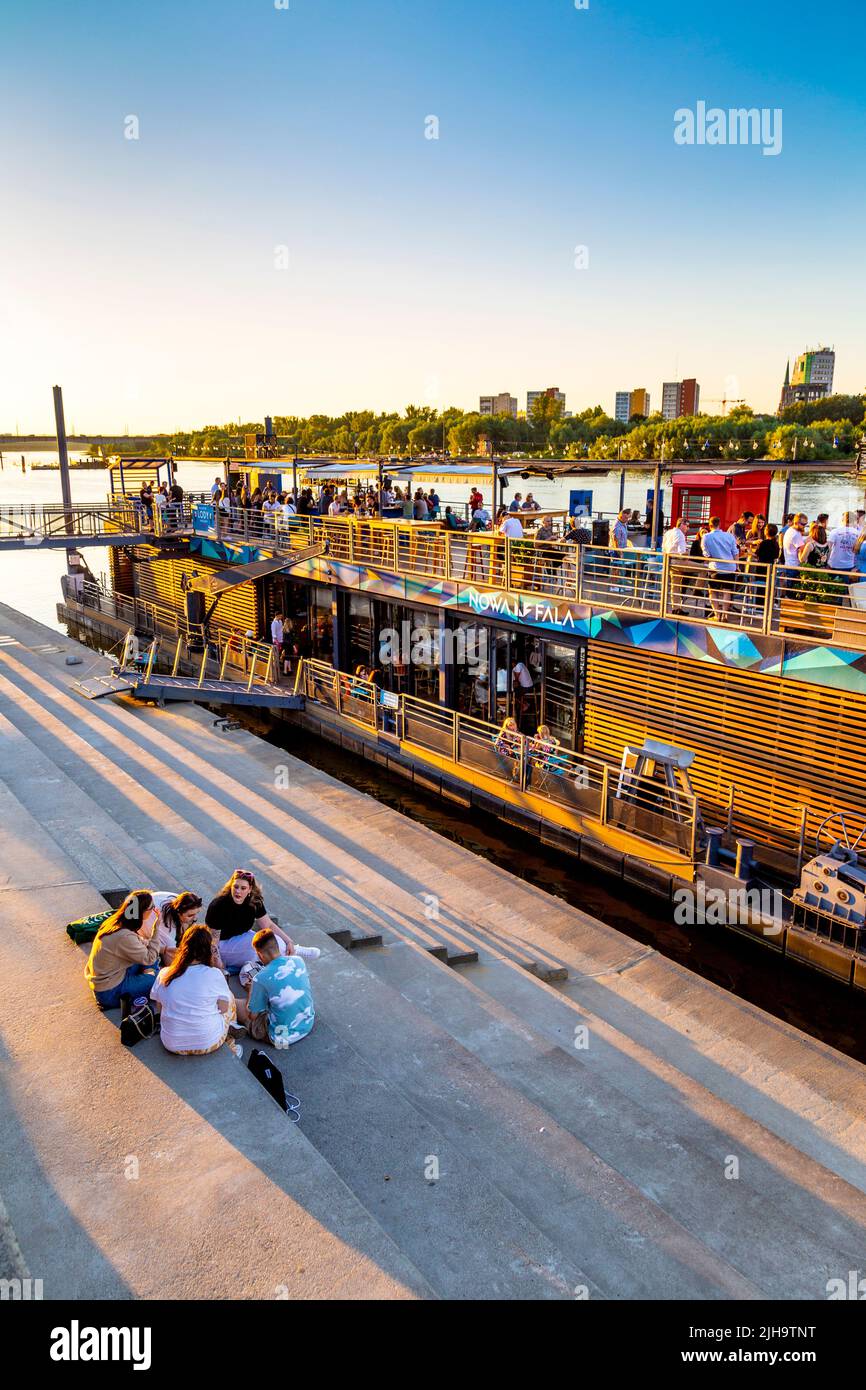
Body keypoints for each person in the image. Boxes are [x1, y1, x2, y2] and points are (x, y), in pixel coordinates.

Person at [151, 925, 246, 1056]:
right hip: (207, 1042)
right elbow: (223, 1009)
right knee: (228, 996)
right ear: (207, 951)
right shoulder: (214, 974)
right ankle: (231, 1044)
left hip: (171, 1043)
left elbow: (160, 1007)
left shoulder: (165, 973)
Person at [85, 890, 161, 1010]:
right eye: (152, 907)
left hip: (110, 977)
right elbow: (150, 957)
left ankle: (147, 975)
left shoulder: (116, 921)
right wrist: (156, 928)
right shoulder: (124, 936)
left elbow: (140, 945)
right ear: (142, 911)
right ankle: (149, 977)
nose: (154, 910)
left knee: (153, 957)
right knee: (161, 978)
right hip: (110, 992)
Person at [246, 929, 316, 1047]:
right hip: (307, 1024)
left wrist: (250, 990)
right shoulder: (298, 960)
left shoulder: (259, 978)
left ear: (259, 954)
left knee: (242, 1006)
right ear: (277, 946)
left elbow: (252, 1016)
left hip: (281, 1039)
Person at [205, 870, 284, 973]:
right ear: (231, 886)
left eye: (243, 888)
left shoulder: (254, 901)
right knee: (257, 950)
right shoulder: (219, 905)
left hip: (243, 937)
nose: (238, 891)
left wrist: (289, 941)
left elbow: (268, 925)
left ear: (250, 889)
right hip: (223, 945)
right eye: (236, 887)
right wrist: (219, 966)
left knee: (276, 941)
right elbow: (213, 941)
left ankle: (296, 950)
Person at [700, 515, 740, 623]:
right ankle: (725, 615)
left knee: (713, 592)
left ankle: (717, 615)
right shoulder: (729, 536)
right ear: (720, 524)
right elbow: (735, 553)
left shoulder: (706, 537)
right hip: (729, 567)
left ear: (710, 525)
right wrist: (737, 567)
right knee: (727, 592)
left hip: (715, 567)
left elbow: (706, 554)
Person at [151, 890, 203, 963]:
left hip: (151, 900)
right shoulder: (166, 924)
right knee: (170, 956)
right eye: (190, 915)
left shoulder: (184, 902)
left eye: (197, 913)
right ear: (178, 913)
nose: (195, 918)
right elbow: (170, 956)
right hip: (140, 917)